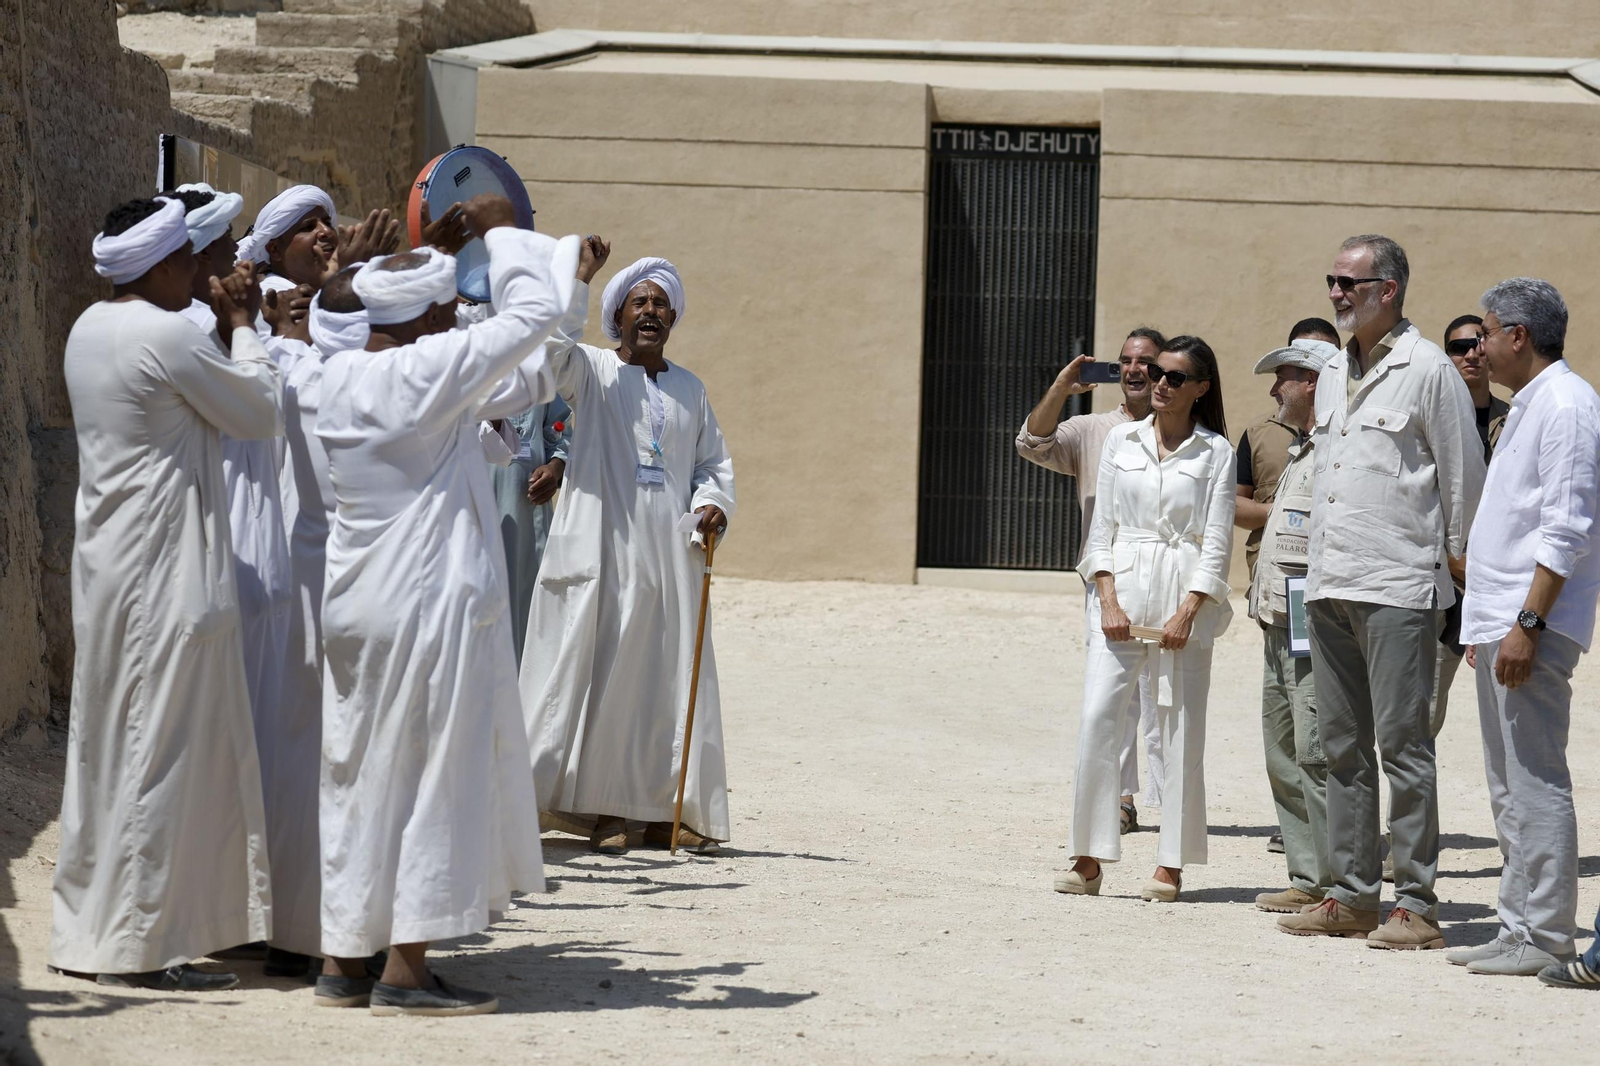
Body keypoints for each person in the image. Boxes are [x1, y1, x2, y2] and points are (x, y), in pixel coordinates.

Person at [313, 194, 582, 1016]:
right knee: (433, 777)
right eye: (446, 310)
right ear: (433, 317)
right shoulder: (429, 372)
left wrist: (345, 280)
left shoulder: (334, 374)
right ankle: (406, 972)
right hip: (427, 609)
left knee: (359, 775)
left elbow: (527, 372)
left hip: (356, 605)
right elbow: (527, 317)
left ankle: (343, 960)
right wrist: (504, 232)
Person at [49, 197, 281, 990]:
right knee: (157, 758)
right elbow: (259, 411)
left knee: (109, 751)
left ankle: (91, 933)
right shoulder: (163, 334)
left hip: (112, 568)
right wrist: (244, 326)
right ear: (160, 265)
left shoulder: (89, 327)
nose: (197, 272)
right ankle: (137, 948)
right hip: (162, 573)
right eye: (187, 260)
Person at [1278, 234, 1485, 949]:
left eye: (1350, 282)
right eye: (1332, 280)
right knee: (1342, 746)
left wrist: (1465, 581)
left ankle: (1417, 903)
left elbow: (1464, 480)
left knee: (1403, 746)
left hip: (1398, 584)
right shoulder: (1334, 368)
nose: (1336, 293)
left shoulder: (1428, 369)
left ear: (1388, 289)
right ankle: (1352, 894)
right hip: (1328, 582)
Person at [521, 254, 737, 857]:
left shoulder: (690, 388)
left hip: (671, 555)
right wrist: (579, 282)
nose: (650, 312)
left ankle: (669, 812)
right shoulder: (593, 371)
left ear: (673, 318)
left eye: (660, 304)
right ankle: (607, 809)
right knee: (611, 673)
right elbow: (551, 352)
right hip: (606, 550)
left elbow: (711, 465)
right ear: (617, 316)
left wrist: (713, 504)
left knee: (667, 677)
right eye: (638, 303)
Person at [170, 184, 314, 974]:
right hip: (226, 549)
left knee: (262, 738)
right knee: (226, 741)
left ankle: (255, 907)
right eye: (226, 249)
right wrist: (260, 331)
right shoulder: (196, 337)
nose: (240, 260)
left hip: (266, 552)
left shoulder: (232, 328)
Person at [1448, 279, 1600, 977]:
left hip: (1530, 625)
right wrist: (1487, 623)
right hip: (1501, 623)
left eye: (1484, 333)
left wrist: (1527, 624)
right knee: (1507, 784)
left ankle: (1545, 933)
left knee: (1535, 779)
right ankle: (1517, 926)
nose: (1477, 346)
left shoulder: (1567, 405)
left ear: (1518, 335)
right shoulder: (1531, 406)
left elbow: (1567, 527)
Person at [1053, 336, 1236, 903]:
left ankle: (1170, 864)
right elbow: (1101, 528)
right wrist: (1106, 598)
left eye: (1175, 377)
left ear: (1200, 388)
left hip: (1184, 596)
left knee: (1180, 730)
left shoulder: (1216, 452)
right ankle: (1088, 858)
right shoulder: (1120, 440)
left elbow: (1217, 543)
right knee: (1098, 719)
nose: (1160, 383)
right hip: (1120, 592)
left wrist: (1190, 610)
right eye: (1158, 372)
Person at [1016, 327, 1167, 833]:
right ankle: (1120, 798)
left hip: (1166, 578)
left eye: (1146, 361)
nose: (1134, 370)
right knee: (1113, 695)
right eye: (1125, 361)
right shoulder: (1091, 429)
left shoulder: (1182, 432)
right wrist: (1062, 387)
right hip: (1106, 579)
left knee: (1165, 693)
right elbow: (1032, 442)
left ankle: (1173, 801)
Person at [1234, 317, 1339, 856]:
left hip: (1318, 620)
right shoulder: (1294, 448)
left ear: (1313, 383)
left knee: (1316, 748)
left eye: (1285, 377)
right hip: (1279, 615)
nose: (1275, 389)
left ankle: (1334, 872)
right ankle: (1307, 874)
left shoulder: (1341, 447)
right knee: (1282, 748)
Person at [1428, 313, 1512, 739]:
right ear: (1447, 357)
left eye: (1479, 343)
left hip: (1500, 585)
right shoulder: (1430, 421)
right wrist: (1452, 561)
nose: (1471, 354)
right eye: (1459, 347)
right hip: (1444, 586)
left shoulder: (1515, 420)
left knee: (1510, 708)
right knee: (1422, 713)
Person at [489, 398, 571, 663]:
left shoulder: (545, 375)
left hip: (529, 514)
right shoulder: (468, 373)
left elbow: (561, 437)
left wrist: (554, 469)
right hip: (480, 507)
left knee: (532, 614)